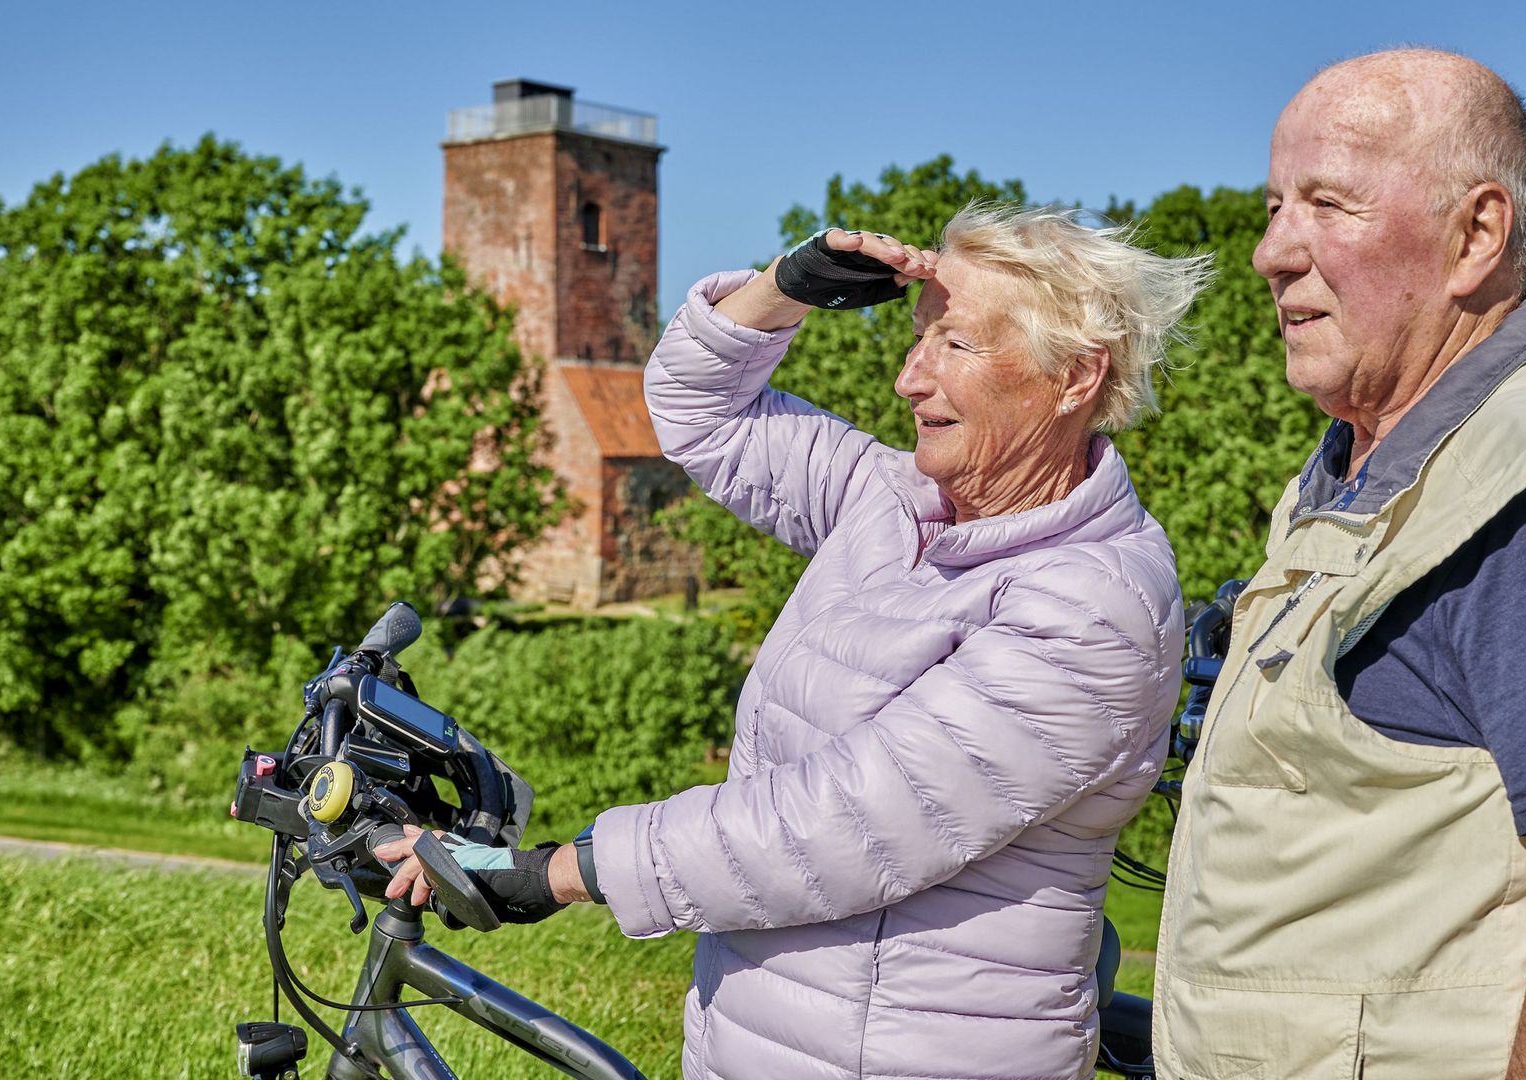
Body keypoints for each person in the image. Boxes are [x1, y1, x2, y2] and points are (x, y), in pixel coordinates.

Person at [382, 203, 1214, 1079]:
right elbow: (697, 412)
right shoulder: (894, 504)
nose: (909, 378)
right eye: (919, 337)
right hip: (765, 1033)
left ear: (1075, 377)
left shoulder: (1095, 604)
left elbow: (840, 822)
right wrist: (785, 290)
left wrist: (560, 872)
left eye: (956, 346)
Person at [1153, 49, 1526, 1079]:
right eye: (1273, 205)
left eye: (1328, 205)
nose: (1269, 252)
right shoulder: (1372, 464)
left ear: (1477, 234)